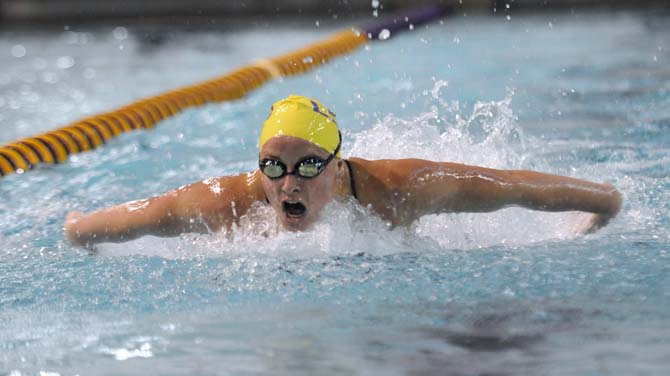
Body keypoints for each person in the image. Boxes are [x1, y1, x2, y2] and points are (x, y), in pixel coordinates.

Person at [64, 94, 622, 247]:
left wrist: (602, 207)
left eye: (308, 165)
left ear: (336, 167)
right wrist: (78, 228)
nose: (289, 184)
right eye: (273, 168)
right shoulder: (224, 203)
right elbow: (125, 221)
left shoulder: (404, 190)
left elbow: (519, 190)